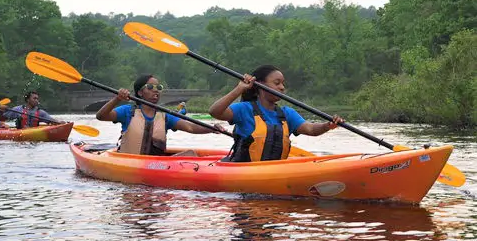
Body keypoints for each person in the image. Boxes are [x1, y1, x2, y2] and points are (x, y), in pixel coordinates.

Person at [209, 65, 344, 162]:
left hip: (276, 171)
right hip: (243, 171)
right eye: (277, 83)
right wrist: (239, 89)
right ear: (260, 85)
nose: (282, 87)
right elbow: (215, 111)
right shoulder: (244, 109)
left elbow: (311, 129)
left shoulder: (287, 114)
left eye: (283, 83)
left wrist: (327, 125)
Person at [96, 74, 225, 156]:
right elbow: (101, 116)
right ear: (140, 92)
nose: (156, 90)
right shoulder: (127, 111)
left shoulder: (165, 116)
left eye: (159, 87)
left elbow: (190, 127)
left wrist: (212, 128)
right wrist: (117, 99)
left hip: (155, 166)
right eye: (151, 87)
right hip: (128, 162)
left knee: (190, 154)